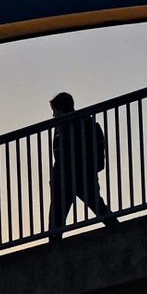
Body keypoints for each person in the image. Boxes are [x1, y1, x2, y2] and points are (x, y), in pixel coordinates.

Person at [46, 91, 117, 239]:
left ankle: (53, 247)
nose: (53, 115)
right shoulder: (84, 122)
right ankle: (119, 230)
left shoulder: (66, 126)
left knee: (57, 218)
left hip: (71, 177)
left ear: (61, 109)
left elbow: (63, 155)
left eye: (55, 111)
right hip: (82, 175)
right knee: (98, 206)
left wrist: (57, 176)